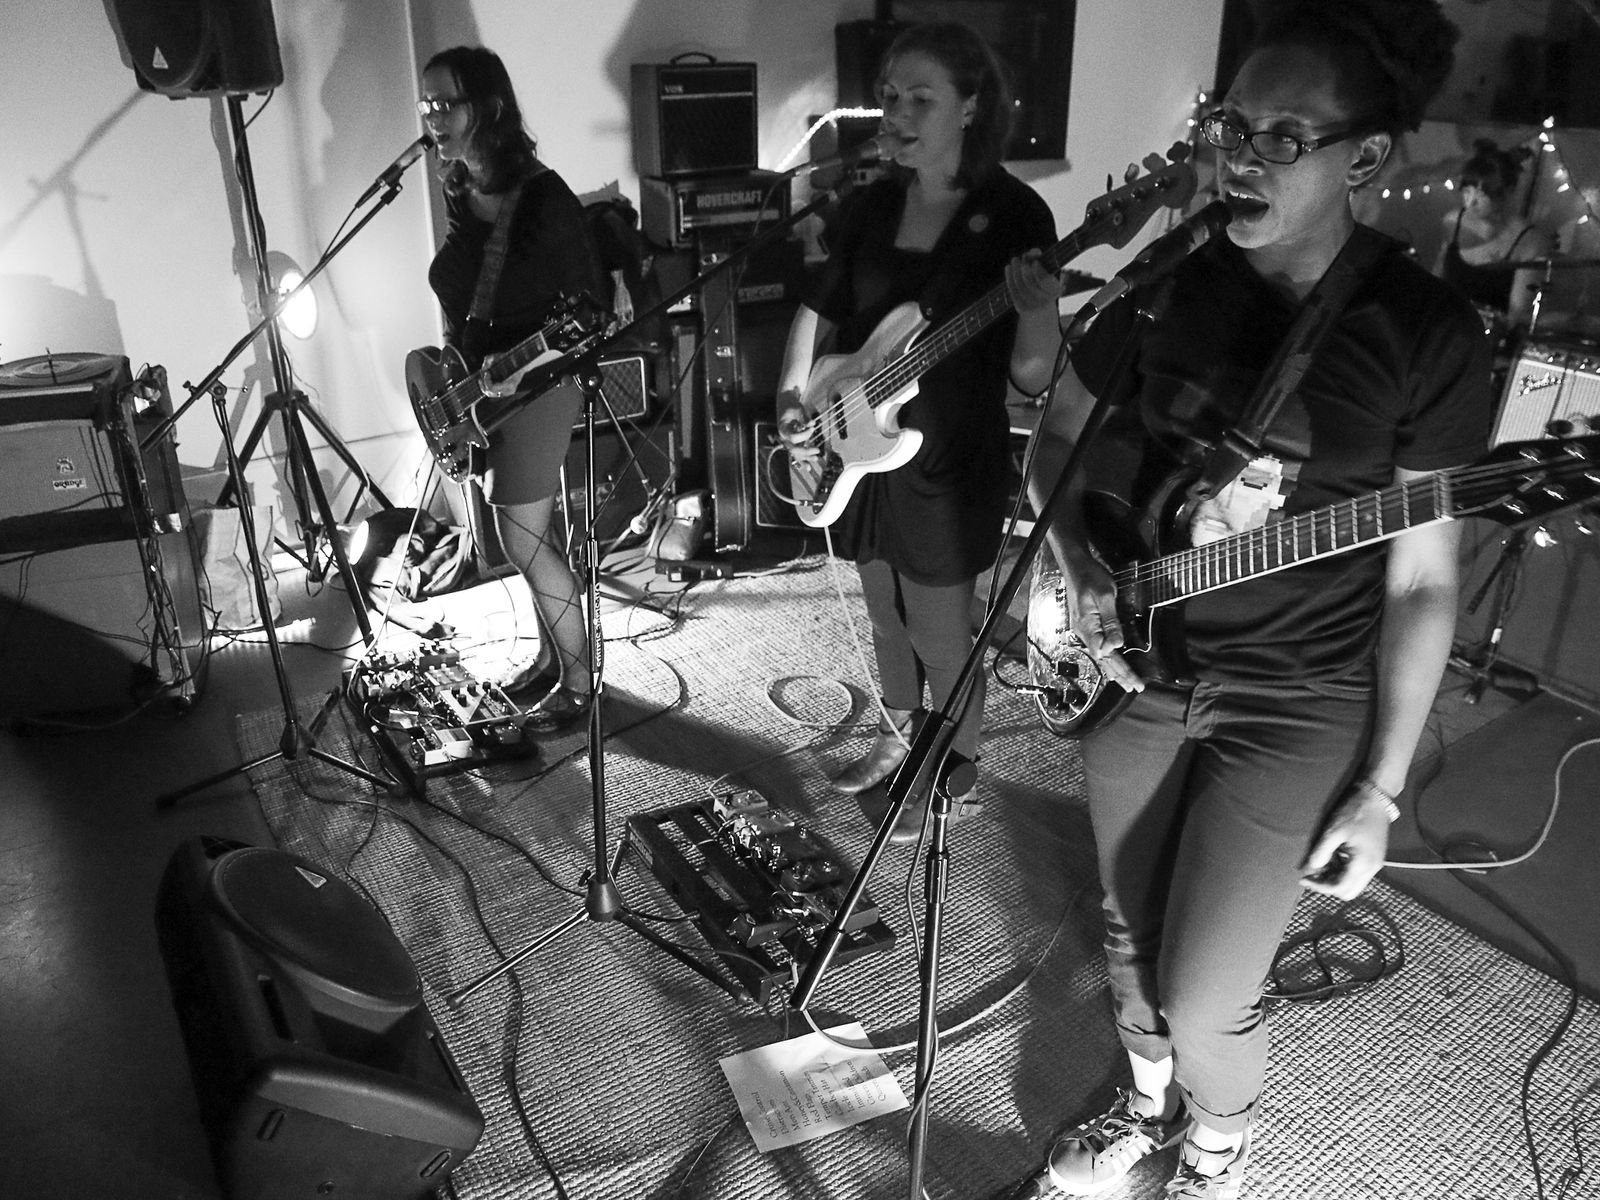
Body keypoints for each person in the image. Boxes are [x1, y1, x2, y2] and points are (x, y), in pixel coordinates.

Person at [1023, 1, 1491, 1196]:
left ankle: (1217, 1148)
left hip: (1297, 697)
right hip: (1137, 666)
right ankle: (1143, 1108)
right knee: (1126, 930)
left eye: (1283, 136)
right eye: (1231, 125)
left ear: (1364, 157)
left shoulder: (1423, 331)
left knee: (1207, 987)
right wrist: (1081, 573)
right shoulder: (1169, 283)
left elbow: (1422, 576)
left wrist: (1380, 789)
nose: (1240, 156)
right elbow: (1054, 443)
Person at [774, 21, 1063, 840]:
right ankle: (897, 736)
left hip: (949, 460)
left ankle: (953, 771)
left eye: (919, 99)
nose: (896, 113)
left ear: (970, 107)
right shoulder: (869, 203)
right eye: (890, 96)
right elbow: (817, 311)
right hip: (854, 442)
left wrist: (1038, 308)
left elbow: (1032, 374)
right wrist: (792, 398)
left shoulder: (1016, 213)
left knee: (941, 631)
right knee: (883, 613)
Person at [420, 45, 603, 732]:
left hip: (541, 384)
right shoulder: (460, 185)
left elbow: (589, 314)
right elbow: (477, 297)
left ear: (488, 107)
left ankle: (581, 684)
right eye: (426, 105)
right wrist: (462, 373)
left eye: (445, 103)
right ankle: (555, 659)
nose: (432, 118)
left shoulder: (544, 199)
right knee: (525, 534)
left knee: (520, 538)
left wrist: (516, 367)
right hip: (485, 387)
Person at [1434, 138, 1558, 334]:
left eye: (1482, 194)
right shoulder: (1454, 221)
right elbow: (1435, 280)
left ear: (1508, 191)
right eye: (1467, 192)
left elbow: (1517, 316)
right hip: (1440, 330)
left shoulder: (1529, 242)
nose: (1471, 202)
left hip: (1485, 340)